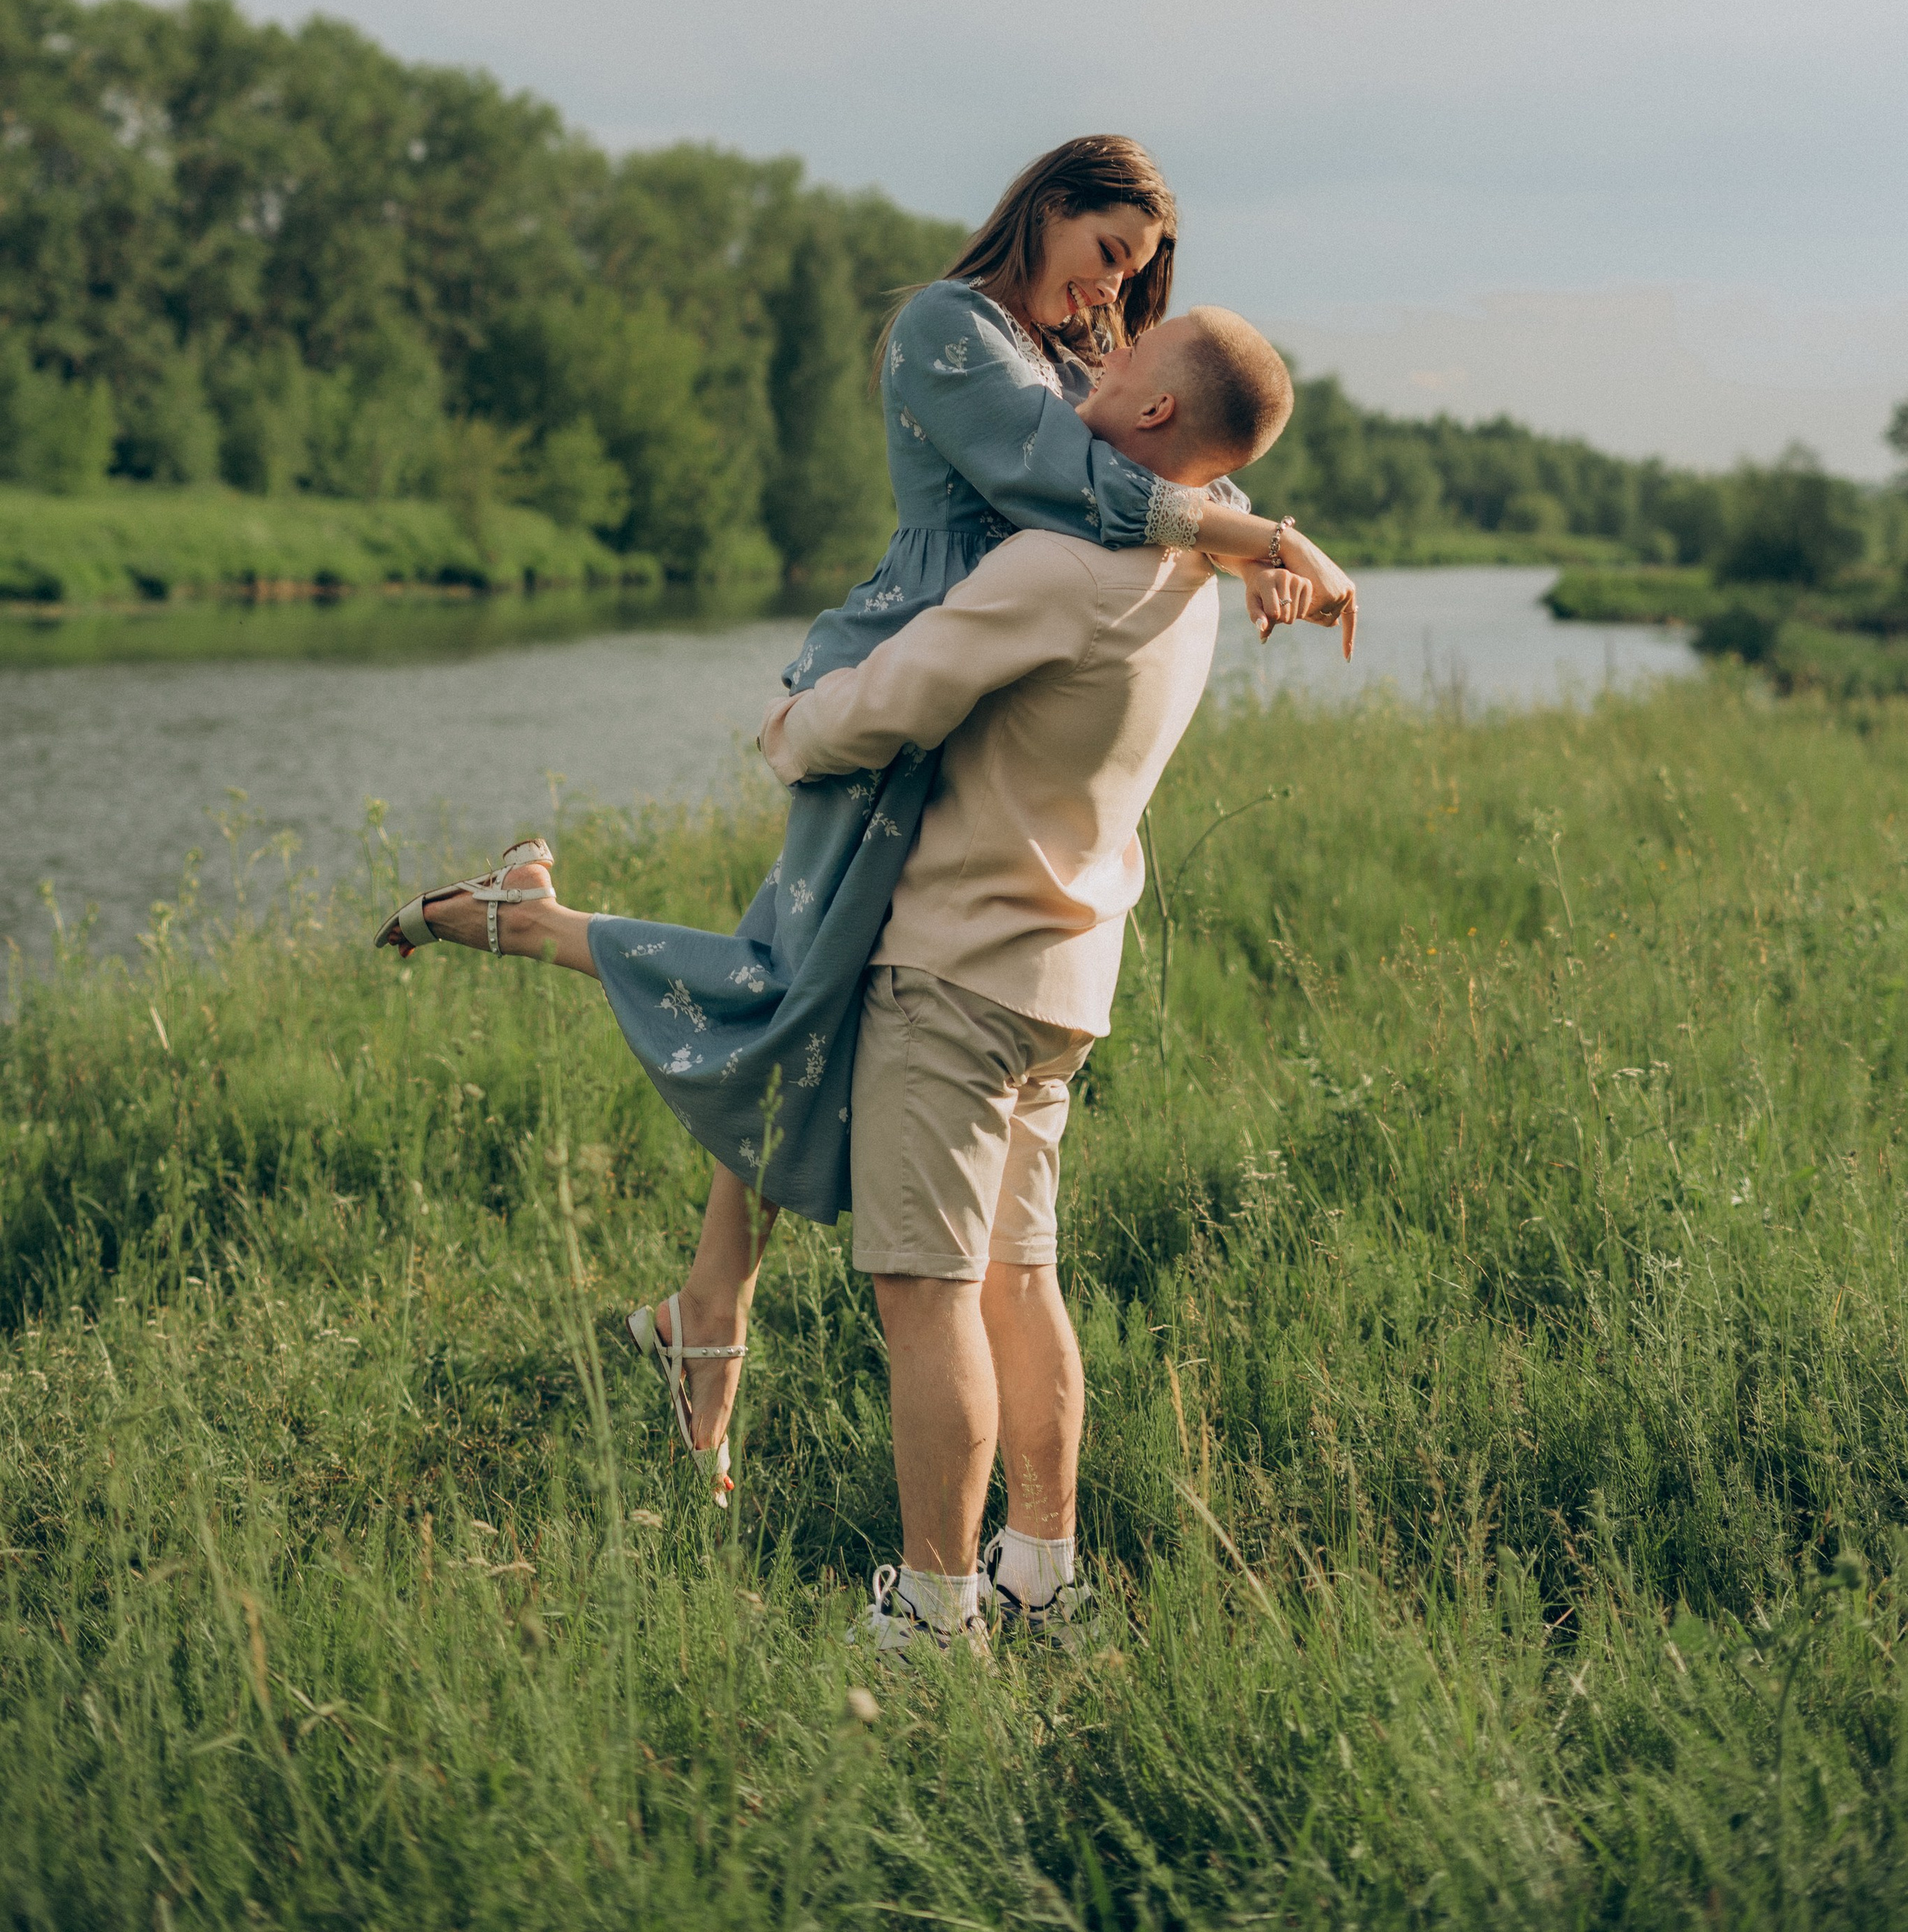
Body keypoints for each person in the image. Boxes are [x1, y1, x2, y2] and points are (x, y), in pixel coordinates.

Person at [376, 139, 1353, 1500]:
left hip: (973, 706)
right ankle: (527, 927)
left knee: (805, 995)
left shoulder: (1086, 367)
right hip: (904, 680)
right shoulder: (950, 330)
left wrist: (1255, 525)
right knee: (793, 985)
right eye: (1108, 251)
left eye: (1137, 273)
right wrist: (1248, 539)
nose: (1111, 293)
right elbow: (1063, 474)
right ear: (1050, 205)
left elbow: (1164, 444)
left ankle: (703, 1300)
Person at [757, 306, 1293, 1654]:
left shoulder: (1065, 567)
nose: (1087, 375)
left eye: (1115, 369)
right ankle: (1043, 1573)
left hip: (955, 968)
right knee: (1019, 1273)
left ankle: (937, 1615)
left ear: (1156, 414)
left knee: (926, 1294)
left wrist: (787, 731)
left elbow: (894, 696)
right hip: (1064, 979)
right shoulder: (1189, 588)